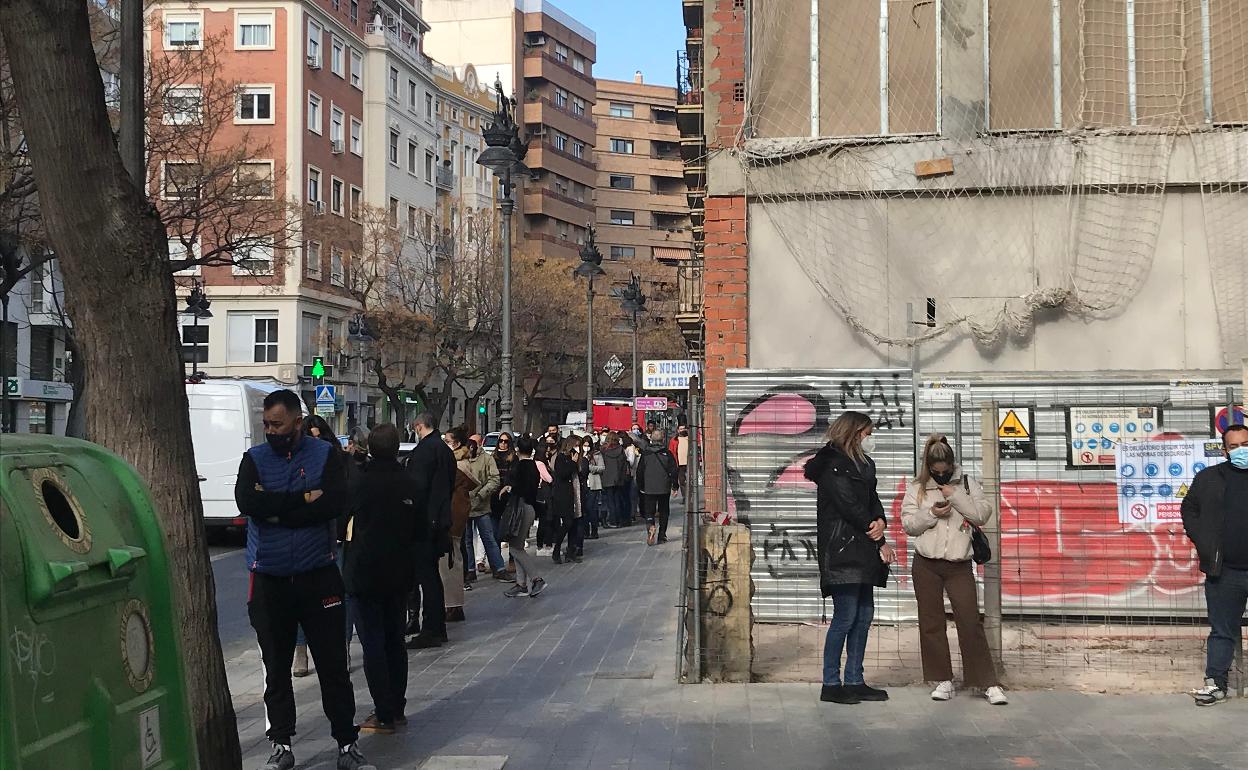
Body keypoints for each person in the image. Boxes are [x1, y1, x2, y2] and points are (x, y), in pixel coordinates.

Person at [233, 389, 373, 770]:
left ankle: (346, 742)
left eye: (276, 424)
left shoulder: (326, 456)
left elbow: (333, 504)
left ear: (297, 422)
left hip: (318, 576)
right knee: (276, 667)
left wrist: (277, 508)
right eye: (266, 424)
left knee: (332, 667)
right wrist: (302, 500)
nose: (270, 431)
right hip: (270, 579)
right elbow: (248, 503)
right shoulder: (254, 459)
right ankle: (280, 743)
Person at [901, 434, 1006, 706]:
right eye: (936, 470)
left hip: (959, 564)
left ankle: (986, 682)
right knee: (931, 623)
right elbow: (909, 525)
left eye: (945, 469)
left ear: (951, 461)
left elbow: (982, 514)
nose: (941, 474)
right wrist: (931, 514)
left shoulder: (968, 483)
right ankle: (942, 679)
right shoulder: (917, 487)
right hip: (926, 563)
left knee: (970, 621)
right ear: (928, 465)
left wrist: (955, 496)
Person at [803, 410, 896, 706]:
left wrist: (880, 520)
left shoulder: (864, 465)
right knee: (846, 616)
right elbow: (850, 506)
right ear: (854, 434)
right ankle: (831, 682)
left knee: (864, 615)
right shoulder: (833, 466)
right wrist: (878, 535)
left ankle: (855, 679)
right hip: (842, 549)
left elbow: (871, 499)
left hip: (862, 549)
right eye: (867, 434)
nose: (871, 440)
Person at [343, 423, 418, 735]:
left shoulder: (361, 482)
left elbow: (342, 520)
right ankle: (397, 706)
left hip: (366, 572)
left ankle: (384, 711)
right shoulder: (408, 481)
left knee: (373, 642)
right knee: (394, 639)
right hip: (400, 572)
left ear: (370, 448)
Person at [1181, 423, 1248, 707]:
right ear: (1225, 450)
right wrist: (1204, 541)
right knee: (1222, 630)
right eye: (1234, 446)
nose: (1241, 450)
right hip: (1226, 571)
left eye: (1245, 443)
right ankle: (1216, 684)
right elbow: (1189, 508)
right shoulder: (1209, 478)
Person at [404, 412, 455, 650]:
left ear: (418, 426)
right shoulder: (444, 449)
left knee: (427, 577)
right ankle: (438, 627)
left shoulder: (425, 451)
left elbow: (417, 489)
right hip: (440, 519)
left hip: (425, 522)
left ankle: (431, 628)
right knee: (433, 576)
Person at [498, 435, 548, 598]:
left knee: (515, 548)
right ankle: (521, 584)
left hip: (520, 509)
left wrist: (508, 489)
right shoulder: (533, 466)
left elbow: (518, 488)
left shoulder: (519, 467)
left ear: (518, 449)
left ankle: (536, 578)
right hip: (529, 508)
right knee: (516, 545)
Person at [441, 428, 479, 623]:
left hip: (453, 514)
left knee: (450, 561)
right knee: (453, 558)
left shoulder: (457, 465)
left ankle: (453, 605)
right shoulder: (460, 462)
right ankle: (452, 604)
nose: (444, 443)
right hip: (458, 513)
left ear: (456, 444)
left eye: (447, 440)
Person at [637, 428, 679, 546]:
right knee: (664, 511)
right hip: (663, 487)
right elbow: (674, 471)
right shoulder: (667, 453)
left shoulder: (645, 454)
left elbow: (640, 471)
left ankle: (651, 527)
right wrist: (675, 486)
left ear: (651, 439)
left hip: (649, 487)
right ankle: (662, 535)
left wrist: (641, 486)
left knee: (649, 511)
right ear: (662, 440)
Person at [550, 436, 584, 563]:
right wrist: (573, 463)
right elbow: (562, 474)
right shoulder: (562, 458)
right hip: (564, 495)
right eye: (575, 445)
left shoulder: (578, 459)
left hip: (576, 493)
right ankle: (557, 549)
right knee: (567, 523)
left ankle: (571, 551)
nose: (577, 449)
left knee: (575, 524)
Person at [600, 433, 630, 528]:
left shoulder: (603, 450)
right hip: (618, 478)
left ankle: (612, 520)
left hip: (607, 477)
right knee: (617, 500)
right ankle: (618, 520)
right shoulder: (620, 450)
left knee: (610, 501)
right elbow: (624, 465)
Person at [584, 437, 604, 539]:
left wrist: (590, 467)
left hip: (593, 484)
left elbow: (602, 468)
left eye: (588, 445)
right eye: (584, 445)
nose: (586, 448)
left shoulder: (596, 454)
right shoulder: (578, 455)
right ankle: (586, 531)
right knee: (585, 509)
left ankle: (594, 530)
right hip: (583, 484)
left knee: (591, 508)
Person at [669, 426, 691, 499]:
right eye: (681, 429)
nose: (682, 430)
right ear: (678, 430)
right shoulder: (674, 440)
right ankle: (685, 497)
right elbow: (671, 452)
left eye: (684, 428)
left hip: (689, 463)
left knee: (690, 481)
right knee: (682, 481)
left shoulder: (690, 439)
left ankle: (690, 496)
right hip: (679, 464)